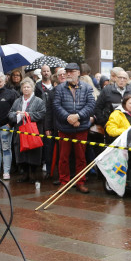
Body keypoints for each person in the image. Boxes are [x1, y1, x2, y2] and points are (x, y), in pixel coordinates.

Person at [52, 63, 95, 193]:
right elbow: (56, 105)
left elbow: (91, 105)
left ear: (78, 73)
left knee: (81, 157)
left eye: (72, 71)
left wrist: (78, 116)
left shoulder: (87, 88)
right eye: (67, 71)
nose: (68, 74)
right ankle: (64, 182)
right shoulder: (60, 88)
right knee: (63, 157)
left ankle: (80, 182)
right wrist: (69, 118)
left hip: (81, 128)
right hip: (64, 128)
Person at [8, 77, 45, 186]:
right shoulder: (17, 101)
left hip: (33, 131)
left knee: (34, 151)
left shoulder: (39, 101)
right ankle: (24, 174)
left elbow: (42, 113)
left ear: (32, 88)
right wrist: (17, 115)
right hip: (20, 131)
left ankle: (33, 174)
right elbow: (10, 113)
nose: (26, 89)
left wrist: (28, 115)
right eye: (24, 87)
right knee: (21, 152)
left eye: (28, 87)